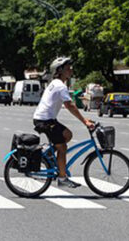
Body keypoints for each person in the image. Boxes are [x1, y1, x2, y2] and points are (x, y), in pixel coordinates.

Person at [33, 57, 95, 189]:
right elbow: (70, 105)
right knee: (62, 147)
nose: (71, 70)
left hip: (45, 119)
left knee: (67, 135)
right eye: (68, 68)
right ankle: (62, 178)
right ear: (59, 71)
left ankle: (49, 156)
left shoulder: (55, 83)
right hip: (45, 120)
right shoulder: (60, 86)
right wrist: (85, 121)